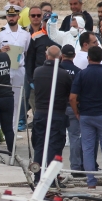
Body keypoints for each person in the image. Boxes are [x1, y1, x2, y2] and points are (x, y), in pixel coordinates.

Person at [70, 46, 102, 188]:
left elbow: (73, 97)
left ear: (88, 58)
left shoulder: (81, 74)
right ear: (101, 58)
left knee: (88, 149)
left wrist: (76, 113)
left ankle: (91, 181)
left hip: (86, 115)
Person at [31, 46, 74, 178]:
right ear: (60, 57)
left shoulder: (37, 72)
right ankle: (51, 177)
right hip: (57, 114)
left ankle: (38, 176)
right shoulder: (64, 75)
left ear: (46, 55)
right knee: (54, 146)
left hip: (40, 112)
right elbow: (69, 94)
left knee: (39, 145)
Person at [0, 2, 31, 132]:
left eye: (14, 15)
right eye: (9, 15)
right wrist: (1, 51)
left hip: (19, 68)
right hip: (4, 68)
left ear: (18, 16)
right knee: (3, 99)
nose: (11, 18)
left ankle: (13, 129)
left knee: (17, 101)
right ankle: (2, 129)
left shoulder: (25, 34)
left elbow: (26, 51)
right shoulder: (0, 33)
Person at [59, 44, 84, 175]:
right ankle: (76, 167)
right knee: (74, 138)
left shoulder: (57, 70)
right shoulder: (79, 71)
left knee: (57, 138)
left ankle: (53, 169)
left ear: (62, 56)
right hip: (73, 108)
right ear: (74, 56)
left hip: (58, 108)